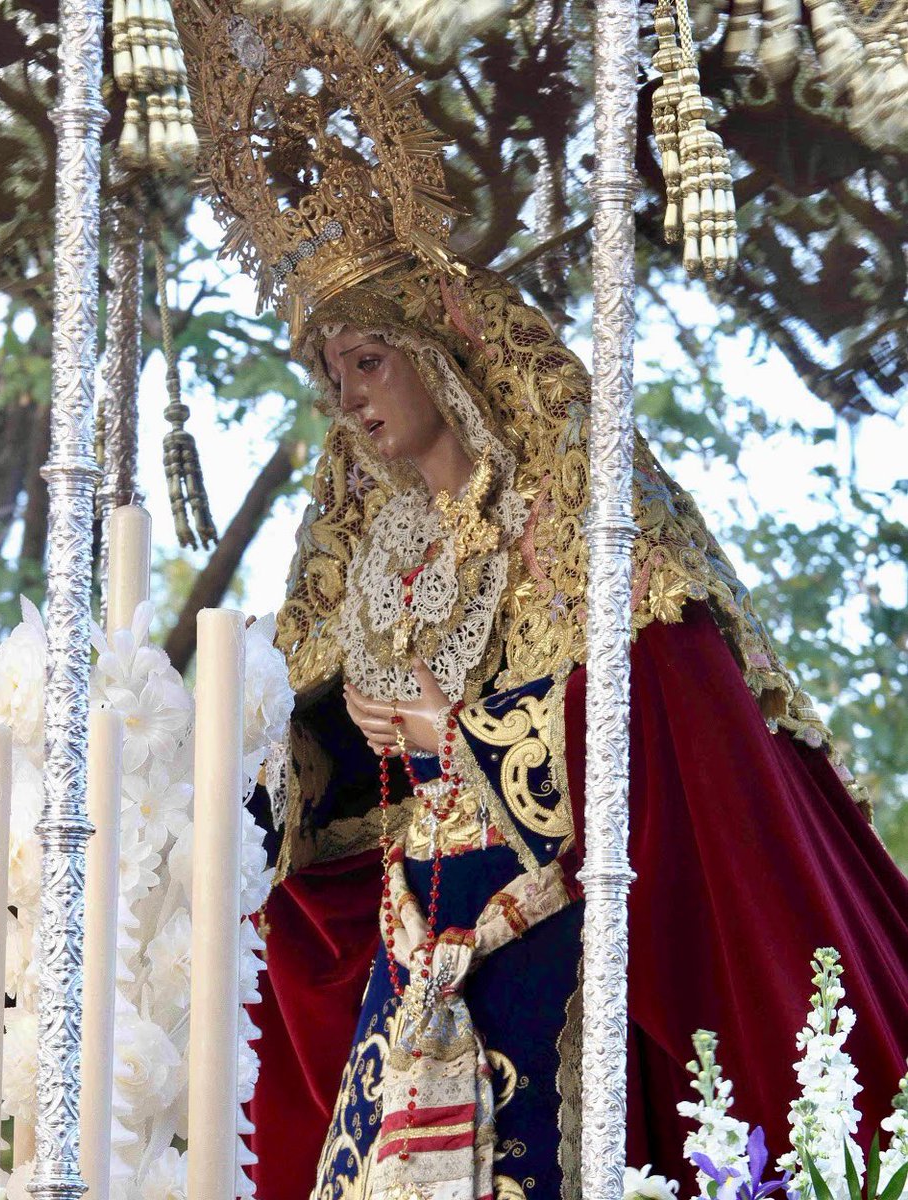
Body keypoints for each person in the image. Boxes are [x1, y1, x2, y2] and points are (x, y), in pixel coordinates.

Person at [167, 5, 908, 1197]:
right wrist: (278, 750)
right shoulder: (373, 552)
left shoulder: (569, 530)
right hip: (407, 966)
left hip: (540, 950)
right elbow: (330, 808)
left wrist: (445, 733)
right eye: (328, 373)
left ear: (438, 356)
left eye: (369, 361)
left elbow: (651, 729)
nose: (348, 400)